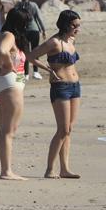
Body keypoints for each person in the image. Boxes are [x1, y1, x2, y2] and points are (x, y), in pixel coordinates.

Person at [26, 10, 82, 179]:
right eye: (75, 25)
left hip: (75, 87)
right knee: (62, 129)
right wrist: (49, 69)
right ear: (65, 25)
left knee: (69, 129)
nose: (78, 29)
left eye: (79, 25)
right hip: (60, 87)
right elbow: (31, 56)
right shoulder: (54, 43)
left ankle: (64, 169)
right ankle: (50, 169)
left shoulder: (71, 40)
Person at [0, 8, 31, 181]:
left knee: (5, 129)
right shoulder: (9, 36)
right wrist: (7, 64)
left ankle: (6, 169)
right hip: (10, 84)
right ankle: (6, 171)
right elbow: (2, 50)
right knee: (9, 131)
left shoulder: (1, 34)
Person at [14, 0, 46, 81]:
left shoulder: (17, 6)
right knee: (35, 51)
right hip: (34, 30)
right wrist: (43, 30)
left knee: (24, 53)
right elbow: (39, 18)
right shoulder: (34, 5)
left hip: (22, 32)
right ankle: (36, 72)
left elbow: (14, 19)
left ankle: (26, 74)